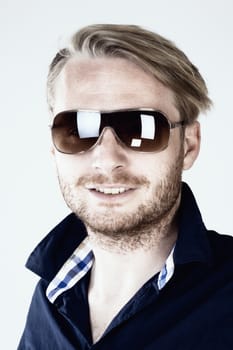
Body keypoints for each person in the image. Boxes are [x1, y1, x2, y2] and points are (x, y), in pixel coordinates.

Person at [18, 24, 233, 349]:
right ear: (53, 148)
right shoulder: (49, 299)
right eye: (77, 128)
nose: (106, 159)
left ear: (188, 145)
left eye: (141, 128)